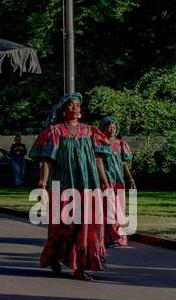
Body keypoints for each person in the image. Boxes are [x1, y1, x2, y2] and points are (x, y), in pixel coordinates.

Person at [30, 93, 112, 280]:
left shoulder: (90, 131)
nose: (75, 108)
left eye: (77, 105)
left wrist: (105, 183)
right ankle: (54, 257)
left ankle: (80, 267)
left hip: (87, 184)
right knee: (61, 225)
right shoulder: (56, 131)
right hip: (63, 185)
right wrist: (42, 183)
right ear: (63, 110)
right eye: (71, 105)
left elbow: (99, 160)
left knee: (85, 225)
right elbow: (47, 160)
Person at [97, 116, 135, 247]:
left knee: (119, 209)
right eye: (108, 127)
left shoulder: (121, 144)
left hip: (118, 181)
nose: (111, 129)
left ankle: (119, 237)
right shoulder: (100, 144)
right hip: (105, 181)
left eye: (113, 127)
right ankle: (111, 238)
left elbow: (124, 163)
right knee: (108, 209)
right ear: (103, 128)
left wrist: (130, 178)